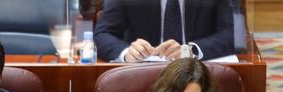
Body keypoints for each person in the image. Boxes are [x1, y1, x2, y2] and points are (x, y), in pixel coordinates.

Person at [94, 0, 235, 62]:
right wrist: (127, 53)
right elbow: (103, 34)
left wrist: (190, 51)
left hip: (200, 75)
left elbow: (232, 34)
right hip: (142, 76)